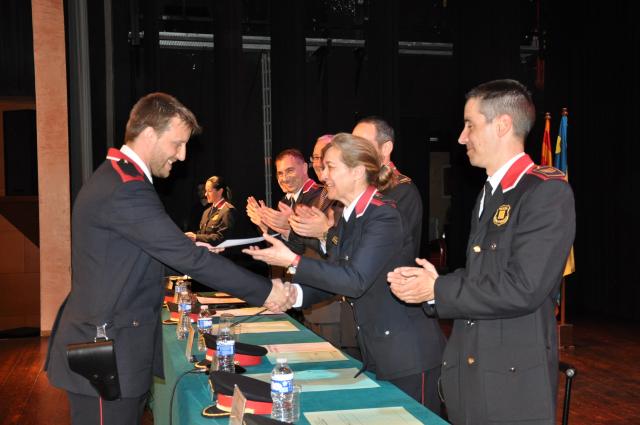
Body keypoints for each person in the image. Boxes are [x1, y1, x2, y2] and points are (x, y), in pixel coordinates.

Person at [45, 93, 294, 425]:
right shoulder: (125, 187)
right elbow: (188, 260)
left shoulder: (122, 179)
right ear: (149, 134)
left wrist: (190, 251)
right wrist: (267, 291)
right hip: (106, 351)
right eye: (177, 143)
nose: (182, 155)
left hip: (114, 346)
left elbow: (132, 258)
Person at [387, 79, 576, 425]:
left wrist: (438, 289)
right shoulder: (492, 192)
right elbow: (484, 277)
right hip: (473, 380)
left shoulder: (545, 193)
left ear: (502, 125)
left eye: (470, 125)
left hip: (509, 391)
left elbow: (523, 287)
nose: (462, 137)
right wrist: (432, 286)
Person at [243, 133, 445, 412]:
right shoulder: (352, 216)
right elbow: (335, 275)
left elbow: (355, 280)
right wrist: (294, 294)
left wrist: (293, 260)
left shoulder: (383, 215)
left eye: (330, 167)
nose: (323, 174)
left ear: (358, 171)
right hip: (378, 350)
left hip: (408, 354)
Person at [352, 116, 423, 259]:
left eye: (362, 145)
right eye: (352, 145)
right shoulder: (360, 185)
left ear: (386, 148)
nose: (353, 151)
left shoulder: (403, 190)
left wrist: (326, 231)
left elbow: (378, 249)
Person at [246, 148, 322, 239]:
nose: (285, 179)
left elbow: (314, 243)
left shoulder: (319, 197)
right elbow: (279, 243)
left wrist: (289, 225)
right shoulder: (284, 201)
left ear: (304, 168)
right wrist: (263, 223)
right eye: (280, 173)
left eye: (290, 171)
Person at [185, 175, 236, 245]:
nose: (206, 194)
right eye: (206, 191)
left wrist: (197, 237)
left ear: (220, 191)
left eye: (209, 191)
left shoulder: (228, 211)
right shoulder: (206, 212)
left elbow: (221, 237)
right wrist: (191, 235)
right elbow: (203, 233)